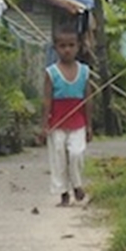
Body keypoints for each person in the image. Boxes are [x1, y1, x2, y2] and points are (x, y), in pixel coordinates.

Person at [42, 23, 94, 207]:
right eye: (62, 46)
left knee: (76, 153)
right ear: (56, 48)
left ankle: (77, 185)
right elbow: (47, 100)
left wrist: (89, 125)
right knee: (58, 157)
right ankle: (63, 192)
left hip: (78, 121)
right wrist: (44, 125)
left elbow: (88, 99)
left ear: (78, 46)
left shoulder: (84, 71)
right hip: (57, 121)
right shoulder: (51, 73)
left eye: (71, 45)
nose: (67, 50)